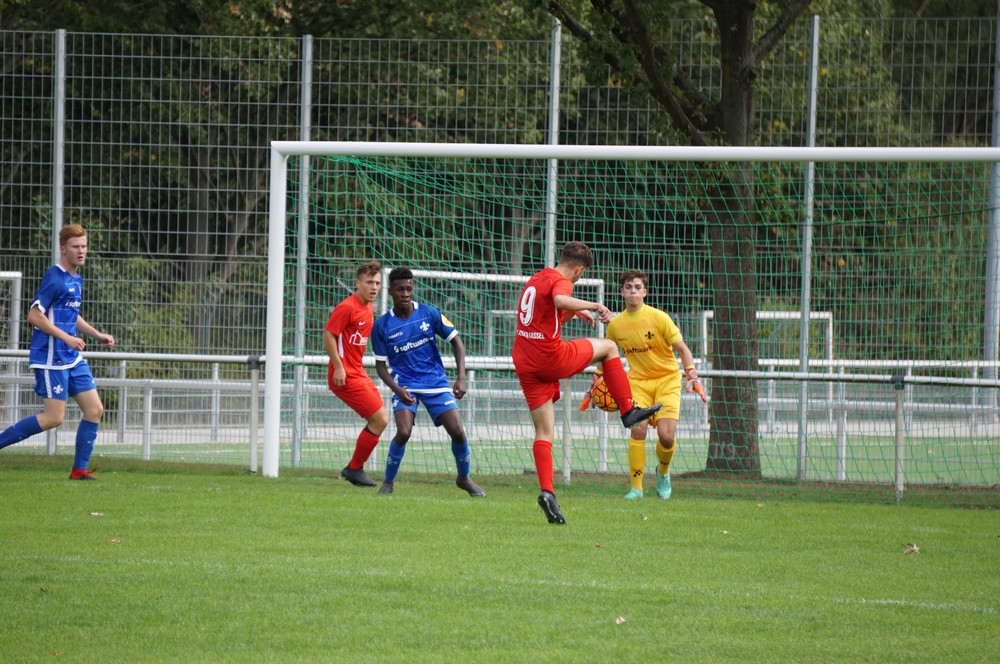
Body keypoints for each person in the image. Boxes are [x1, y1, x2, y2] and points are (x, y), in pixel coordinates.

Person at [512, 241, 662, 524]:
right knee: (608, 347)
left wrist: (571, 313)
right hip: (549, 357)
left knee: (544, 432)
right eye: (581, 274)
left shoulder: (538, 278)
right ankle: (628, 411)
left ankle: (547, 492)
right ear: (579, 268)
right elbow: (559, 299)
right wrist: (593, 305)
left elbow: (547, 313)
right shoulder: (561, 282)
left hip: (525, 361)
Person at [0, 224, 115, 479]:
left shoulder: (76, 278)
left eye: (84, 246)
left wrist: (96, 334)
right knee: (54, 418)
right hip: (51, 357)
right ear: (63, 249)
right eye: (76, 247)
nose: (81, 251)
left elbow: (69, 316)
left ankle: (79, 470)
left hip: (70, 357)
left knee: (95, 410)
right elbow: (34, 316)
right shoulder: (54, 277)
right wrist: (67, 338)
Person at [371, 267, 486, 497]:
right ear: (391, 291)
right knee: (403, 432)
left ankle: (464, 478)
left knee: (458, 431)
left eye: (409, 289)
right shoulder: (381, 326)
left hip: (435, 382)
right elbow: (381, 367)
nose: (405, 293)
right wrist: (397, 389)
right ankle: (388, 483)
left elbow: (457, 342)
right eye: (400, 289)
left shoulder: (429, 313)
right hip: (405, 385)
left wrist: (461, 377)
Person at [605, 269, 706, 500]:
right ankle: (636, 488)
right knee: (637, 429)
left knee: (667, 436)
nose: (633, 292)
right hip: (638, 382)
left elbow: (683, 349)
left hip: (667, 380)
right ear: (622, 292)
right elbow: (607, 357)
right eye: (629, 287)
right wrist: (595, 384)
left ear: (645, 292)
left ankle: (663, 472)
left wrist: (692, 374)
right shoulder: (616, 325)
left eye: (638, 288)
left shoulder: (659, 317)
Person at [323, 261, 389, 487]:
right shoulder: (347, 307)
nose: (374, 287)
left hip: (358, 372)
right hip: (345, 376)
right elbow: (329, 335)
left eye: (378, 283)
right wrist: (339, 367)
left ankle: (354, 469)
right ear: (357, 284)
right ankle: (354, 469)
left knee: (378, 419)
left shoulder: (369, 308)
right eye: (369, 282)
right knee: (380, 419)